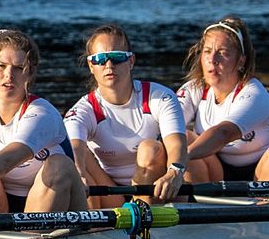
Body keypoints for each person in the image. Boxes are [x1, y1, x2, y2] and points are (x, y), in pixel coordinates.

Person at [0, 29, 86, 214]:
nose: (9, 75)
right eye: (1, 66)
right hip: (1, 203)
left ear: (29, 74)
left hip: (51, 203)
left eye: (18, 68)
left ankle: (30, 238)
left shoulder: (42, 113)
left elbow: (7, 160)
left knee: (58, 164)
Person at [64, 23, 188, 206]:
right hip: (109, 192)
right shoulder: (83, 110)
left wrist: (175, 171)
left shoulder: (159, 96)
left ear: (131, 61)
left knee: (150, 149)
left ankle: (142, 213)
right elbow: (74, 146)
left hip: (158, 188)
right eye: (100, 59)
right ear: (91, 65)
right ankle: (96, 225)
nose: (109, 65)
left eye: (117, 57)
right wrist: (79, 175)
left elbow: (176, 142)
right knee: (76, 162)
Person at [179, 16, 269, 182]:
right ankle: (190, 202)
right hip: (217, 171)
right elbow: (165, 127)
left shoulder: (254, 94)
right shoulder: (193, 89)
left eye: (222, 53)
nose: (212, 59)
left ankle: (266, 204)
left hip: (263, 172)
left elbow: (224, 133)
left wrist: (179, 162)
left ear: (241, 61)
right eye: (207, 51)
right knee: (179, 138)